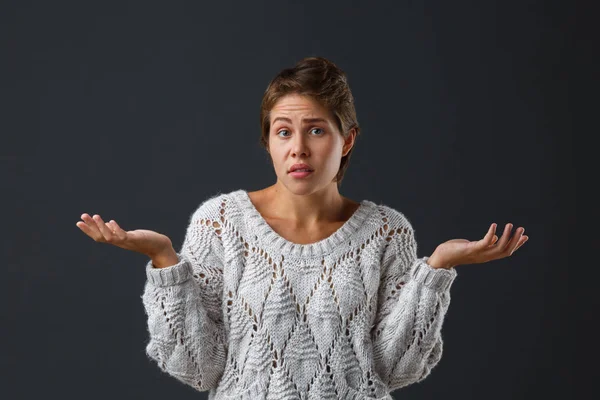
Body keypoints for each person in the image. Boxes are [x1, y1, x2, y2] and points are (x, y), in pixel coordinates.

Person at [76, 56, 528, 399]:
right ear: (268, 141)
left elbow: (395, 369)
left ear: (346, 139)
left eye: (316, 130)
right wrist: (165, 261)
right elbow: (199, 368)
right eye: (283, 131)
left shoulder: (386, 232)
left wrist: (437, 269)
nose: (298, 149)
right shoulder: (221, 223)